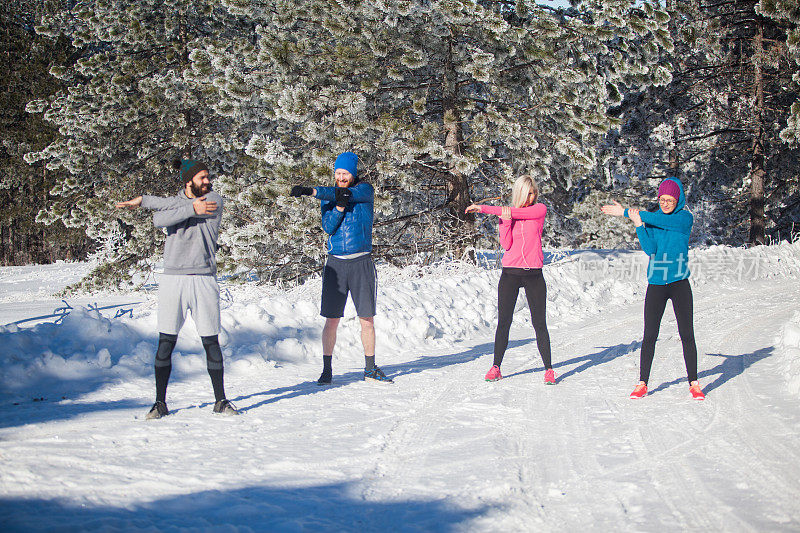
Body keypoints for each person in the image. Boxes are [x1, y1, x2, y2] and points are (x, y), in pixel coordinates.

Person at [116, 158, 239, 418]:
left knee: (211, 341)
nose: (207, 181)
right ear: (188, 181)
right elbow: (159, 220)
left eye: (207, 176)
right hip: (173, 280)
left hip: (204, 278)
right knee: (166, 342)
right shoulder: (178, 203)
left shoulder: (214, 199)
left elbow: (173, 213)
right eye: (201, 178)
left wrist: (151, 202)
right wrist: (151, 201)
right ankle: (159, 403)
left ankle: (221, 400)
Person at [290, 152, 392, 384]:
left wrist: (311, 191)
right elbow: (328, 227)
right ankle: (327, 370)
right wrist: (338, 209)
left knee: (366, 318)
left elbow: (347, 193)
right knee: (331, 318)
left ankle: (370, 368)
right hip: (336, 263)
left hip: (361, 262)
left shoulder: (364, 191)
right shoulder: (330, 199)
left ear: (353, 174)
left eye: (345, 173)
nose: (341, 177)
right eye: (337, 173)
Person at [601, 176, 705, 400]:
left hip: (679, 284)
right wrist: (639, 225)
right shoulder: (653, 219)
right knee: (650, 335)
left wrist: (627, 212)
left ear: (677, 200)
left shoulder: (684, 219)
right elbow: (650, 249)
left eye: (670, 199)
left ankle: (694, 383)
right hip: (656, 285)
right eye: (662, 199)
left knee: (687, 334)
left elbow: (669, 223)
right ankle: (642, 383)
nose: (665, 203)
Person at [465, 175, 555, 384]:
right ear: (520, 193)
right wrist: (505, 222)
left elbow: (520, 212)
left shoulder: (539, 210)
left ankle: (549, 369)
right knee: (504, 322)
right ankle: (496, 367)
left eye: (533, 193)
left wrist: (482, 208)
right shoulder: (508, 214)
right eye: (527, 193)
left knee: (539, 323)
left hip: (533, 274)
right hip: (510, 274)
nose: (531, 197)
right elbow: (506, 245)